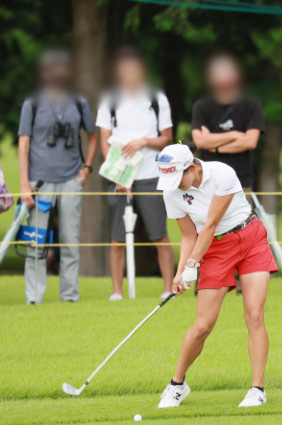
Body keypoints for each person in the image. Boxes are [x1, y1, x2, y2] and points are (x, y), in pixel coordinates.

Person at [154, 144, 277, 409]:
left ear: (192, 167)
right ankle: (177, 384)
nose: (176, 186)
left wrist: (192, 264)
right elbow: (189, 236)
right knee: (203, 325)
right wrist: (180, 272)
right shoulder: (171, 193)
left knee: (254, 315)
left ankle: (257, 389)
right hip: (215, 250)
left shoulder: (222, 173)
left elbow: (209, 224)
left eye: (179, 179)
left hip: (250, 239)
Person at [18, 48, 97, 304]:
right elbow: (23, 144)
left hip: (71, 179)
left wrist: (86, 168)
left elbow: (92, 136)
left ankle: (70, 296)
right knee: (36, 241)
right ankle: (34, 298)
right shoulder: (32, 102)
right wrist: (24, 185)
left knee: (70, 241)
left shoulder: (79, 102)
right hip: (39, 181)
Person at [96, 47, 175, 301]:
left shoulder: (156, 98)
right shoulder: (110, 100)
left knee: (159, 235)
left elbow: (167, 139)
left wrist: (143, 141)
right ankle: (117, 292)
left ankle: (168, 289)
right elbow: (104, 140)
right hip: (120, 177)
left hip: (151, 175)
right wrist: (118, 176)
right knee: (117, 238)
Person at [191, 52, 265, 189]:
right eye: (219, 76)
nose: (224, 82)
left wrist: (215, 147)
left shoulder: (252, 105)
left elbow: (250, 142)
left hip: (241, 183)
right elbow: (199, 141)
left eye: (227, 76)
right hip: (209, 183)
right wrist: (234, 135)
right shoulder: (201, 106)